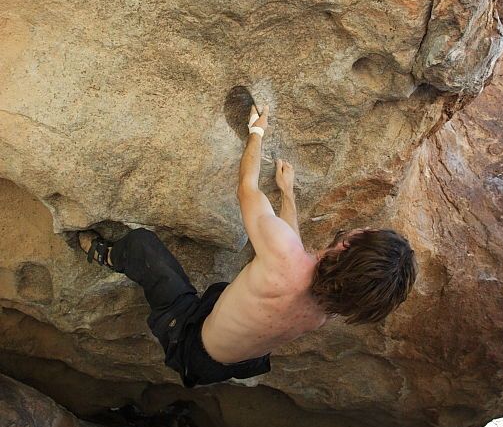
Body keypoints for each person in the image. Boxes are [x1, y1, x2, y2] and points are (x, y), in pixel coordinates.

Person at [78, 102, 417, 388]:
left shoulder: (284, 255)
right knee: (229, 288)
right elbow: (294, 254)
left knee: (142, 246)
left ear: (347, 246)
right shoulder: (325, 312)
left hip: (190, 342)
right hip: (233, 364)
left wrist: (256, 133)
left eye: (367, 231)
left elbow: (246, 188)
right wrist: (287, 194)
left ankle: (104, 253)